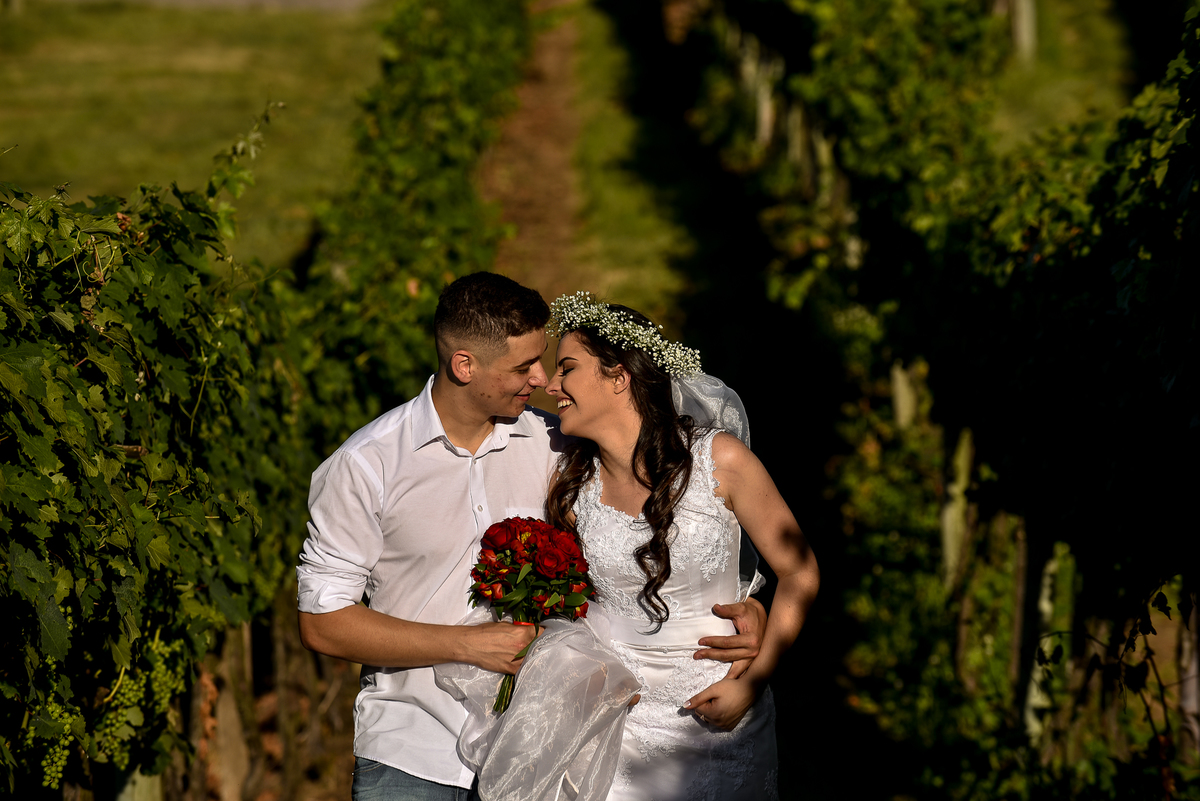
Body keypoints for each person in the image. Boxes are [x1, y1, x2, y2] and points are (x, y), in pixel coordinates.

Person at [295, 274, 767, 801]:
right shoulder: (367, 465)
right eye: (524, 367)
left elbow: (655, 532)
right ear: (465, 366)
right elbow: (322, 622)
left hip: (543, 747)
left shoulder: (560, 445)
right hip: (413, 748)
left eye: (546, 362)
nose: (542, 380)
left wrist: (744, 604)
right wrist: (464, 645)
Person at [543, 293, 820, 801]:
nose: (551, 384)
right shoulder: (571, 484)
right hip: (615, 723)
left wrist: (751, 683)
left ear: (619, 376)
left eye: (568, 368)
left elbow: (800, 572)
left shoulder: (720, 460)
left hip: (719, 716)